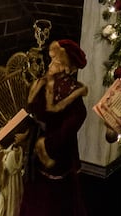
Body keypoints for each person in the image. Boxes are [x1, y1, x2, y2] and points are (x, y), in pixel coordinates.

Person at [21, 38, 89, 216]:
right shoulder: (47, 84)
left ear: (67, 68)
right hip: (37, 148)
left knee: (52, 201)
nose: (51, 65)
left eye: (57, 62)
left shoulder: (70, 92)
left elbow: (78, 117)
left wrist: (48, 144)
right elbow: (34, 113)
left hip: (55, 154)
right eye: (52, 60)